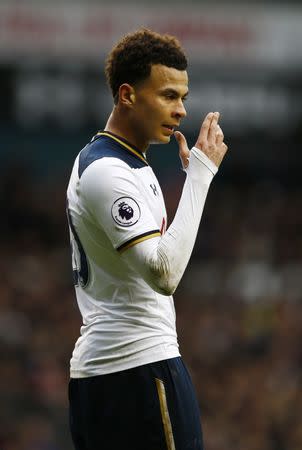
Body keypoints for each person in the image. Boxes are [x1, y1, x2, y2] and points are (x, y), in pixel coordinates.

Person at [67, 28, 228, 450]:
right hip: (138, 371)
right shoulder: (108, 171)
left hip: (112, 374)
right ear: (127, 95)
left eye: (183, 99)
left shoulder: (125, 162)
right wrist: (201, 175)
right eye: (168, 96)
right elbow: (164, 273)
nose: (180, 111)